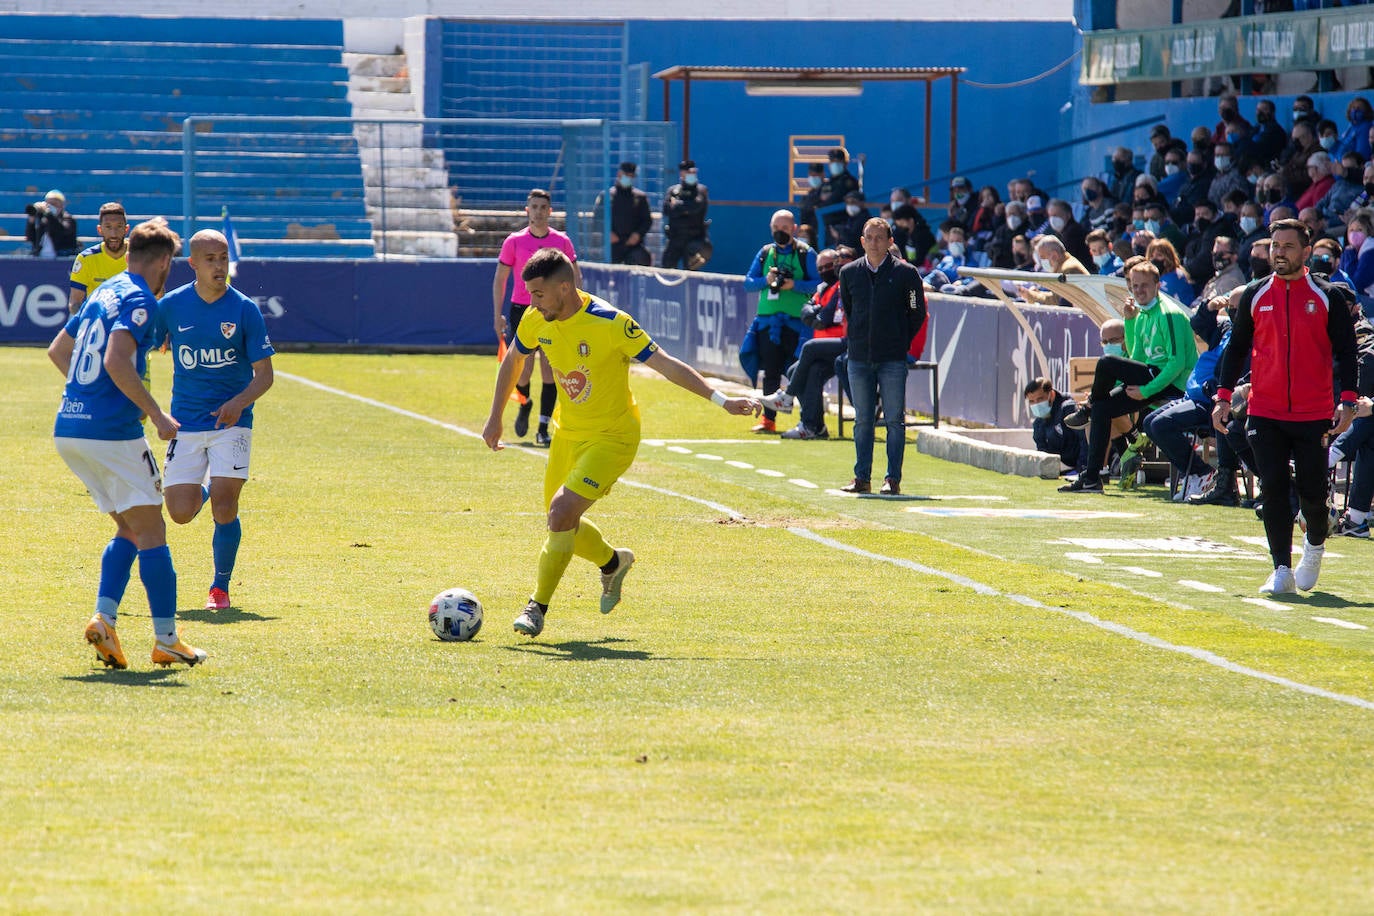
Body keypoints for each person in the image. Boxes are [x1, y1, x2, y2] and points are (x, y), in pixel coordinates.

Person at [482, 248, 760, 637]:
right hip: (567, 433)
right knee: (560, 522)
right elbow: (513, 362)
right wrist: (495, 416)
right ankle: (613, 563)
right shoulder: (535, 318)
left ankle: (536, 607)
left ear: (565, 287)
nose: (532, 301)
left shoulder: (612, 323)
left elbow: (665, 363)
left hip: (613, 437)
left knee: (562, 514)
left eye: (538, 294)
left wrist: (721, 400)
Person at [47, 217, 206, 669]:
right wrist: (155, 413)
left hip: (70, 428)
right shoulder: (140, 299)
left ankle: (106, 619)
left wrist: (88, 395)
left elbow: (59, 350)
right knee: (153, 531)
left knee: (130, 529)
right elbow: (117, 358)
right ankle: (168, 640)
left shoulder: (105, 290)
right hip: (110, 435)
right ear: (163, 263)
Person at [1213, 219, 1360, 595]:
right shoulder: (1255, 294)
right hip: (1266, 410)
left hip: (1313, 414)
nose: (1279, 252)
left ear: (1306, 252)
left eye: (1288, 246)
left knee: (1312, 493)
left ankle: (1314, 547)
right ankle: (1281, 568)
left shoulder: (1327, 296)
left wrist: (1346, 403)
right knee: (1274, 489)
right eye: (1275, 245)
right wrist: (1223, 397)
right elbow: (1236, 349)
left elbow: (1347, 353)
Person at [156, 229, 275, 612]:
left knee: (226, 507)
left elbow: (265, 375)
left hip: (232, 424)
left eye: (223, 258)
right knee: (179, 514)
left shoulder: (244, 309)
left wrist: (239, 402)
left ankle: (220, 588)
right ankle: (204, 486)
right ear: (192, 263)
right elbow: (144, 345)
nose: (219, 266)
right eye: (210, 259)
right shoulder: (171, 306)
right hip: (186, 424)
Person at [1061, 261, 1198, 493]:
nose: (1139, 290)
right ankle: (1093, 478)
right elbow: (1135, 356)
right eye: (1134, 286)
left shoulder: (1170, 314)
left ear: (1157, 284)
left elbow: (1177, 363)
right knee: (1102, 409)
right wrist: (1130, 321)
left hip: (1174, 384)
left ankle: (1088, 408)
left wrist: (1146, 391)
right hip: (1153, 377)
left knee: (1106, 363)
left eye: (1144, 285)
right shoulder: (1142, 313)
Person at [837, 218, 926, 496]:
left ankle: (892, 479)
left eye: (879, 238)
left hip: (892, 359)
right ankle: (861, 477)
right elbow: (850, 311)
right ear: (862, 241)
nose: (874, 243)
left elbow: (916, 313)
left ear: (890, 242)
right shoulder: (849, 273)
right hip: (859, 357)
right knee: (862, 419)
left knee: (894, 421)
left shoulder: (907, 273)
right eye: (869, 237)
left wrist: (898, 342)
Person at [493, 188, 580, 447]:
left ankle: (543, 428)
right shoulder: (514, 241)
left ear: (550, 211)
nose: (539, 212)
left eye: (543, 207)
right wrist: (497, 314)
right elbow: (500, 279)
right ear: (527, 210)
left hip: (555, 311)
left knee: (550, 368)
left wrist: (573, 308)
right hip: (523, 309)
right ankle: (525, 403)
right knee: (522, 368)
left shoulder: (562, 241)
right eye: (534, 207)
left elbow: (575, 275)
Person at [760, 246, 856, 439]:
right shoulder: (824, 288)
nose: (828, 270)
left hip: (846, 344)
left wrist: (819, 315)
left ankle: (787, 398)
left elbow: (826, 317)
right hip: (827, 347)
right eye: (823, 267)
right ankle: (814, 426)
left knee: (809, 348)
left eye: (832, 265)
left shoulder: (847, 284)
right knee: (797, 371)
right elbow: (808, 312)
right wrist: (818, 315)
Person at [742, 210, 819, 434]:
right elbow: (748, 283)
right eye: (776, 228)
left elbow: (818, 284)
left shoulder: (806, 253)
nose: (780, 233)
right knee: (771, 372)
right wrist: (766, 281)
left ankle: (808, 421)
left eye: (785, 229)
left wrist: (793, 285)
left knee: (798, 372)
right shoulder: (766, 253)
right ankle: (769, 420)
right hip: (768, 324)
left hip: (798, 325)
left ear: (794, 229)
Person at [68, 202, 129, 315]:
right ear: (100, 230)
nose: (113, 234)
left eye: (119, 227)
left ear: (126, 229)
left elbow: (156, 296)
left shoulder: (140, 256)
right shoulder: (86, 259)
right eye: (108, 227)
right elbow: (74, 303)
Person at [1024, 377, 1085, 474]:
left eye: (1040, 399)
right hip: (1065, 469)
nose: (1036, 404)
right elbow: (1043, 452)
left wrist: (1082, 469)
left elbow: (1085, 440)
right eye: (1032, 401)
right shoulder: (1038, 423)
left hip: (1079, 467)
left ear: (1051, 395)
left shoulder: (1068, 409)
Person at [661, 160, 711, 270]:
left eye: (693, 172)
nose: (691, 175)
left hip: (694, 238)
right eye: (688, 172)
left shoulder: (701, 190)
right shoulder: (673, 190)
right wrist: (684, 208)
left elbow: (696, 206)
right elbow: (666, 210)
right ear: (682, 174)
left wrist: (677, 205)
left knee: (692, 269)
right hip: (675, 237)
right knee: (667, 267)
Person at [605, 161, 652, 266]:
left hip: (633, 244)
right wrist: (607, 233)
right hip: (613, 244)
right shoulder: (607, 196)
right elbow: (598, 219)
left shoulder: (640, 197)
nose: (628, 178)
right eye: (626, 175)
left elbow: (647, 221)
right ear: (619, 174)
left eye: (631, 176)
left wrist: (638, 234)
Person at [27, 189, 79, 259]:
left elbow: (62, 230)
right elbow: (31, 238)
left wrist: (48, 213)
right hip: (42, 257)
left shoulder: (68, 219)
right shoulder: (43, 219)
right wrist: (31, 220)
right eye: (48, 204)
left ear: (62, 205)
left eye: (54, 204)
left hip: (62, 257)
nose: (50, 206)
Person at [1146, 237, 1195, 303]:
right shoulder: (1160, 276)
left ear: (1168, 257)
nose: (1154, 259)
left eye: (1159, 255)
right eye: (1151, 256)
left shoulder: (1174, 276)